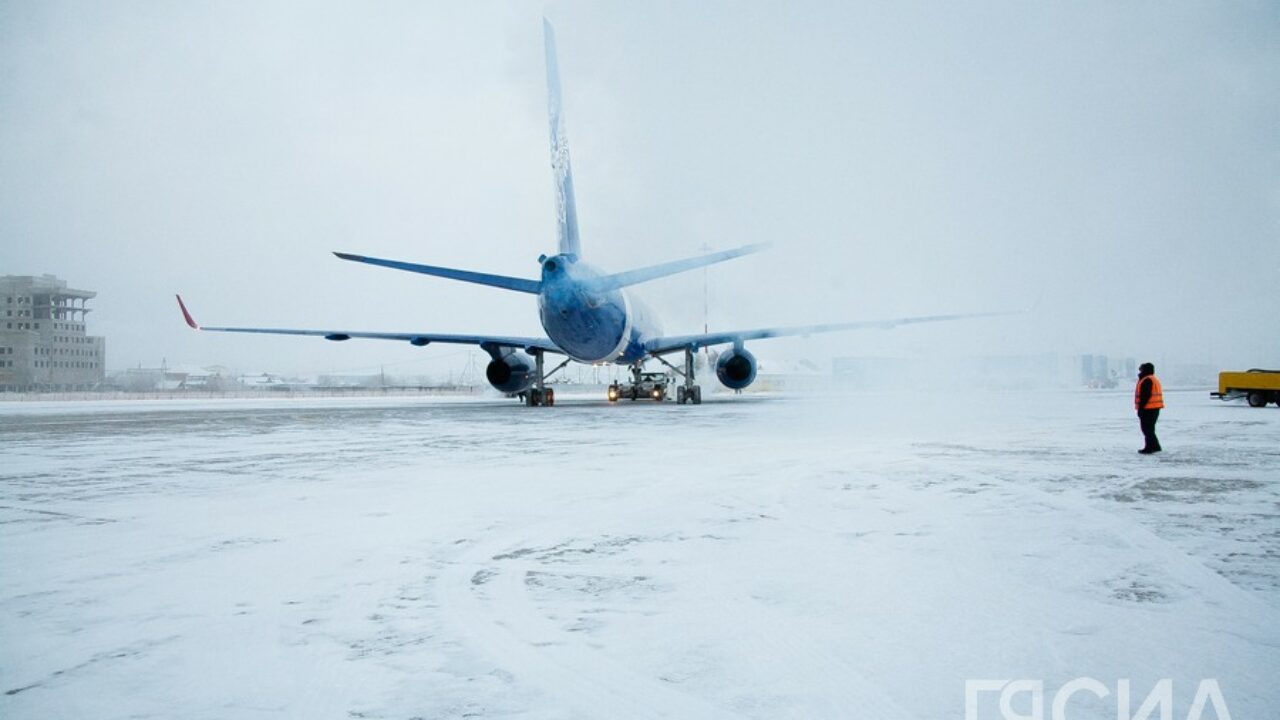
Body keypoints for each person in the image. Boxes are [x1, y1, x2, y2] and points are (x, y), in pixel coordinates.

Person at [1134, 362, 1164, 454]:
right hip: (1154, 408)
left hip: (1148, 408)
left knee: (1147, 429)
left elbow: (1145, 396)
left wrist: (1141, 409)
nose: (1140, 371)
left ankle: (1151, 447)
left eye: (1141, 369)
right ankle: (1154, 446)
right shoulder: (1152, 379)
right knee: (1149, 429)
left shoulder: (1147, 380)